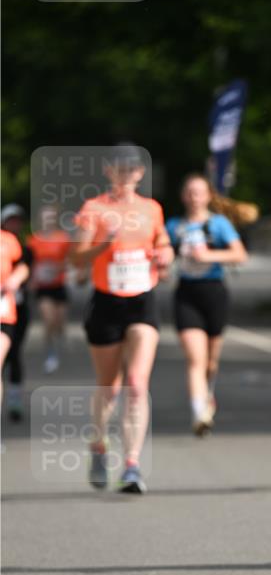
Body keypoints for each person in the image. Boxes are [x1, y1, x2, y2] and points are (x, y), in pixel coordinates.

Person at [70, 144, 174, 493]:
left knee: (137, 383)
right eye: (119, 168)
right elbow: (76, 258)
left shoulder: (151, 208)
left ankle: (132, 465)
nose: (126, 174)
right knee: (109, 387)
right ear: (108, 171)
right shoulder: (94, 208)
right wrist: (104, 245)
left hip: (142, 300)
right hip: (106, 303)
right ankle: (98, 445)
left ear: (140, 173)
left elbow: (163, 242)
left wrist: (165, 255)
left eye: (132, 168)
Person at [166, 174, 248, 436]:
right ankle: (199, 413)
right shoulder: (174, 226)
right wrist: (162, 266)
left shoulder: (218, 224)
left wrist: (209, 255)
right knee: (195, 359)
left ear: (209, 196)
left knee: (210, 362)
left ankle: (207, 392)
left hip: (214, 293)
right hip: (186, 293)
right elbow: (163, 254)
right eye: (190, 192)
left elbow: (240, 254)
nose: (194, 197)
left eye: (199, 192)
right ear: (183, 196)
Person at [27, 204, 71, 373]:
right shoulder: (33, 240)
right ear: (40, 219)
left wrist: (59, 268)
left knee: (59, 323)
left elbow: (71, 259)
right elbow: (29, 263)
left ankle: (59, 347)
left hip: (59, 285)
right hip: (43, 287)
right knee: (49, 319)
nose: (48, 220)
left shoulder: (63, 238)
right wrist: (31, 279)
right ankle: (50, 352)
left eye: (51, 217)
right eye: (46, 217)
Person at [1, 204, 31, 420]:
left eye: (17, 220)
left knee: (13, 353)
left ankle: (14, 399)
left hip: (8, 311)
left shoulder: (9, 242)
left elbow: (23, 266)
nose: (14, 224)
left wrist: (16, 278)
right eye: (10, 220)